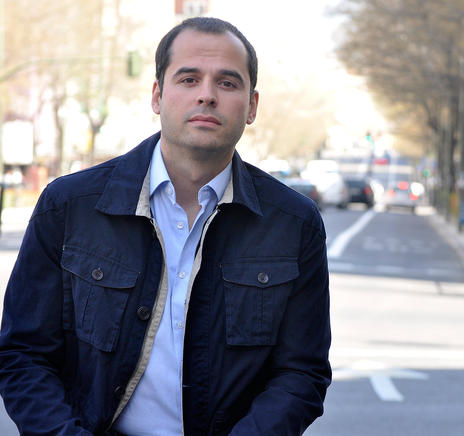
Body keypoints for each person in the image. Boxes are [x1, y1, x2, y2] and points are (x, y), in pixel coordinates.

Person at [0, 17, 331, 435]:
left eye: (227, 83)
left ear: (251, 106)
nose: (207, 95)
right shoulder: (68, 206)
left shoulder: (295, 224)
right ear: (157, 96)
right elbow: (23, 355)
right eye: (189, 79)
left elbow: (301, 373)